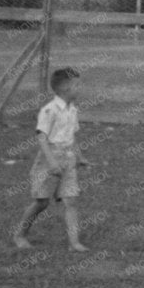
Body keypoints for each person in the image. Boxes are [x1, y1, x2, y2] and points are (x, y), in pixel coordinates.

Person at [15, 67, 88, 252]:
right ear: (65, 89)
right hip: (49, 160)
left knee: (71, 201)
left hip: (68, 159)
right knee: (41, 202)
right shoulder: (49, 110)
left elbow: (72, 136)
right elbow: (42, 138)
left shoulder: (73, 111)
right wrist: (52, 162)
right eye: (77, 85)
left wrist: (80, 156)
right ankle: (20, 235)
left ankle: (74, 243)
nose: (81, 88)